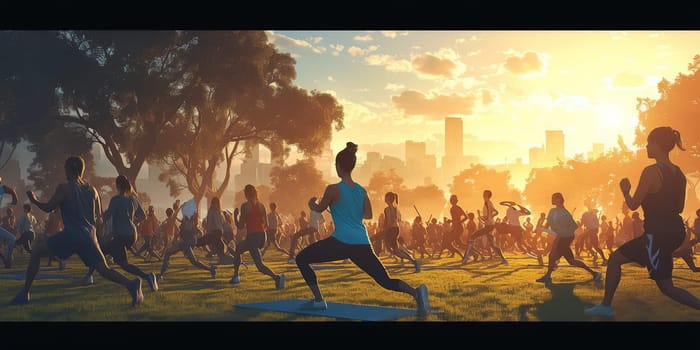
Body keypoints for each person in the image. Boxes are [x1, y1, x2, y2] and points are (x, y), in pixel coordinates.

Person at [294, 142, 430, 316]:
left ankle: (319, 300)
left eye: (336, 165)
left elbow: (319, 208)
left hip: (341, 242)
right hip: (361, 243)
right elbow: (368, 215)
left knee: (302, 259)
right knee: (385, 280)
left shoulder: (333, 189)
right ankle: (416, 293)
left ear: (338, 167)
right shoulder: (361, 191)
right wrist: (350, 209)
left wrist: (311, 203)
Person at [586, 127, 700, 317]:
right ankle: (606, 304)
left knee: (664, 285)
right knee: (625, 262)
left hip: (656, 232)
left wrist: (625, 191)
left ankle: (606, 306)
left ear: (656, 145)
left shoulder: (651, 171)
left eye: (648, 143)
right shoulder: (679, 173)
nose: (646, 147)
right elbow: (680, 207)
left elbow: (632, 205)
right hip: (675, 230)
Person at [12, 156, 144, 306]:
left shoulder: (65, 187)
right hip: (89, 236)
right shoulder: (92, 190)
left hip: (72, 234)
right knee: (104, 269)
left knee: (36, 251)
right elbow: (99, 218)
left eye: (65, 169)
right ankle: (131, 284)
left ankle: (25, 293)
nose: (65, 173)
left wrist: (34, 199)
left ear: (70, 169)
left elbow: (48, 207)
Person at [82, 175, 158, 292]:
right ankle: (88, 276)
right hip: (132, 235)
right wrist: (131, 222)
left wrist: (98, 221)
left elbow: (108, 215)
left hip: (122, 235)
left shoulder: (116, 200)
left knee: (105, 256)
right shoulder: (133, 199)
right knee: (107, 255)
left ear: (117, 186)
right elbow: (143, 216)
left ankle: (147, 276)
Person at [536, 192, 602, 284]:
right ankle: (595, 274)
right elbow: (548, 224)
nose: (552, 199)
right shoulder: (552, 211)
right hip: (560, 237)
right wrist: (541, 229)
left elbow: (574, 226)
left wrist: (564, 231)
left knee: (552, 256)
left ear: (559, 199)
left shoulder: (565, 213)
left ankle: (548, 275)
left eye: (554, 198)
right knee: (571, 261)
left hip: (566, 237)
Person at [231, 184, 285, 289]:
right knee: (238, 249)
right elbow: (266, 225)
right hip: (262, 237)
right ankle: (235, 276)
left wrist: (235, 216)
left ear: (246, 194)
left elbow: (240, 226)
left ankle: (277, 278)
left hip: (253, 237)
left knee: (259, 265)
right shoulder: (262, 206)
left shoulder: (245, 206)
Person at [464, 190, 508, 265]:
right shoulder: (489, 203)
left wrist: (483, 217)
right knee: (493, 245)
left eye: (484, 194)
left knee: (472, 237)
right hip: (490, 225)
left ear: (486, 195)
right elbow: (496, 212)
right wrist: (490, 217)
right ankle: (504, 259)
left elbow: (486, 218)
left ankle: (465, 258)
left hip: (488, 226)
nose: (483, 195)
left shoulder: (487, 203)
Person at [0, 181, 19, 268]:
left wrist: (15, 198)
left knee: (12, 239)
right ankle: (5, 259)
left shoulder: (1, 189)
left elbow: (11, 190)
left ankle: (6, 258)